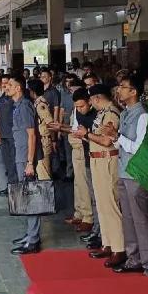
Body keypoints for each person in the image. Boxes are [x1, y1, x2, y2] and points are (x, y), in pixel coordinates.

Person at [105, 73, 148, 276]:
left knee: (140, 219)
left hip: (136, 173)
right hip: (124, 170)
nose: (119, 90)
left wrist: (117, 137)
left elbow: (140, 148)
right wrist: (114, 137)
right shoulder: (126, 112)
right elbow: (122, 144)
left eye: (123, 87)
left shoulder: (142, 114)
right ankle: (133, 257)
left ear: (134, 91)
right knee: (128, 218)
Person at [73, 84, 125, 269]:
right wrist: (86, 135)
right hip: (97, 159)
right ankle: (108, 243)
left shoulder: (111, 113)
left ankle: (119, 248)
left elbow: (106, 140)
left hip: (107, 160)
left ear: (96, 98)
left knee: (110, 204)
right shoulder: (101, 113)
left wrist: (86, 133)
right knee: (102, 205)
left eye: (91, 100)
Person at [49, 88, 99, 239]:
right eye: (76, 106)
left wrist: (62, 128)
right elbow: (75, 128)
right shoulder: (79, 111)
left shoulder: (94, 114)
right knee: (78, 183)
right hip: (77, 146)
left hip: (88, 150)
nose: (78, 109)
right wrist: (61, 127)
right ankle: (82, 214)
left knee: (86, 186)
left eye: (81, 106)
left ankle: (89, 219)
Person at [10, 76, 45, 255]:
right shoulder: (18, 106)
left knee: (30, 197)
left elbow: (31, 136)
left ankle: (33, 240)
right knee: (25, 196)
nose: (5, 87)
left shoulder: (24, 107)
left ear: (18, 89)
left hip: (26, 158)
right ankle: (30, 234)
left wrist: (30, 162)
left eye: (9, 85)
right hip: (21, 156)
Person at [0, 75, 17, 196]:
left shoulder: (13, 98)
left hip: (12, 135)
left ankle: (14, 186)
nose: (4, 85)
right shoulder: (2, 97)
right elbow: (0, 116)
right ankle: (10, 185)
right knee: (7, 161)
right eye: (3, 83)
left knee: (14, 161)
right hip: (4, 134)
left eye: (7, 83)